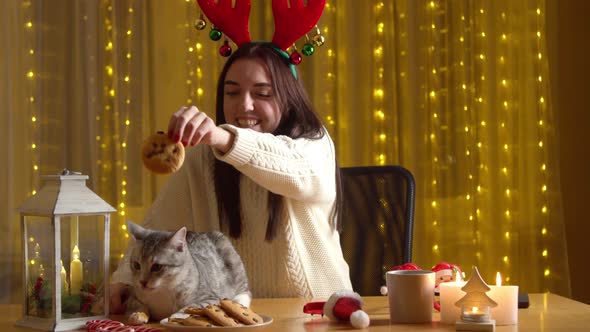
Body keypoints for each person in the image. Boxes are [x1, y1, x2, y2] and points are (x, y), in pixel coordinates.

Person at [110, 42, 352, 313]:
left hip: (320, 315)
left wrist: (222, 137)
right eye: (232, 92)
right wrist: (123, 280)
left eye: (262, 93)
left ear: (288, 98)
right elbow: (156, 228)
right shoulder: (203, 159)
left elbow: (295, 171)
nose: (244, 105)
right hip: (231, 315)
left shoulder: (314, 143)